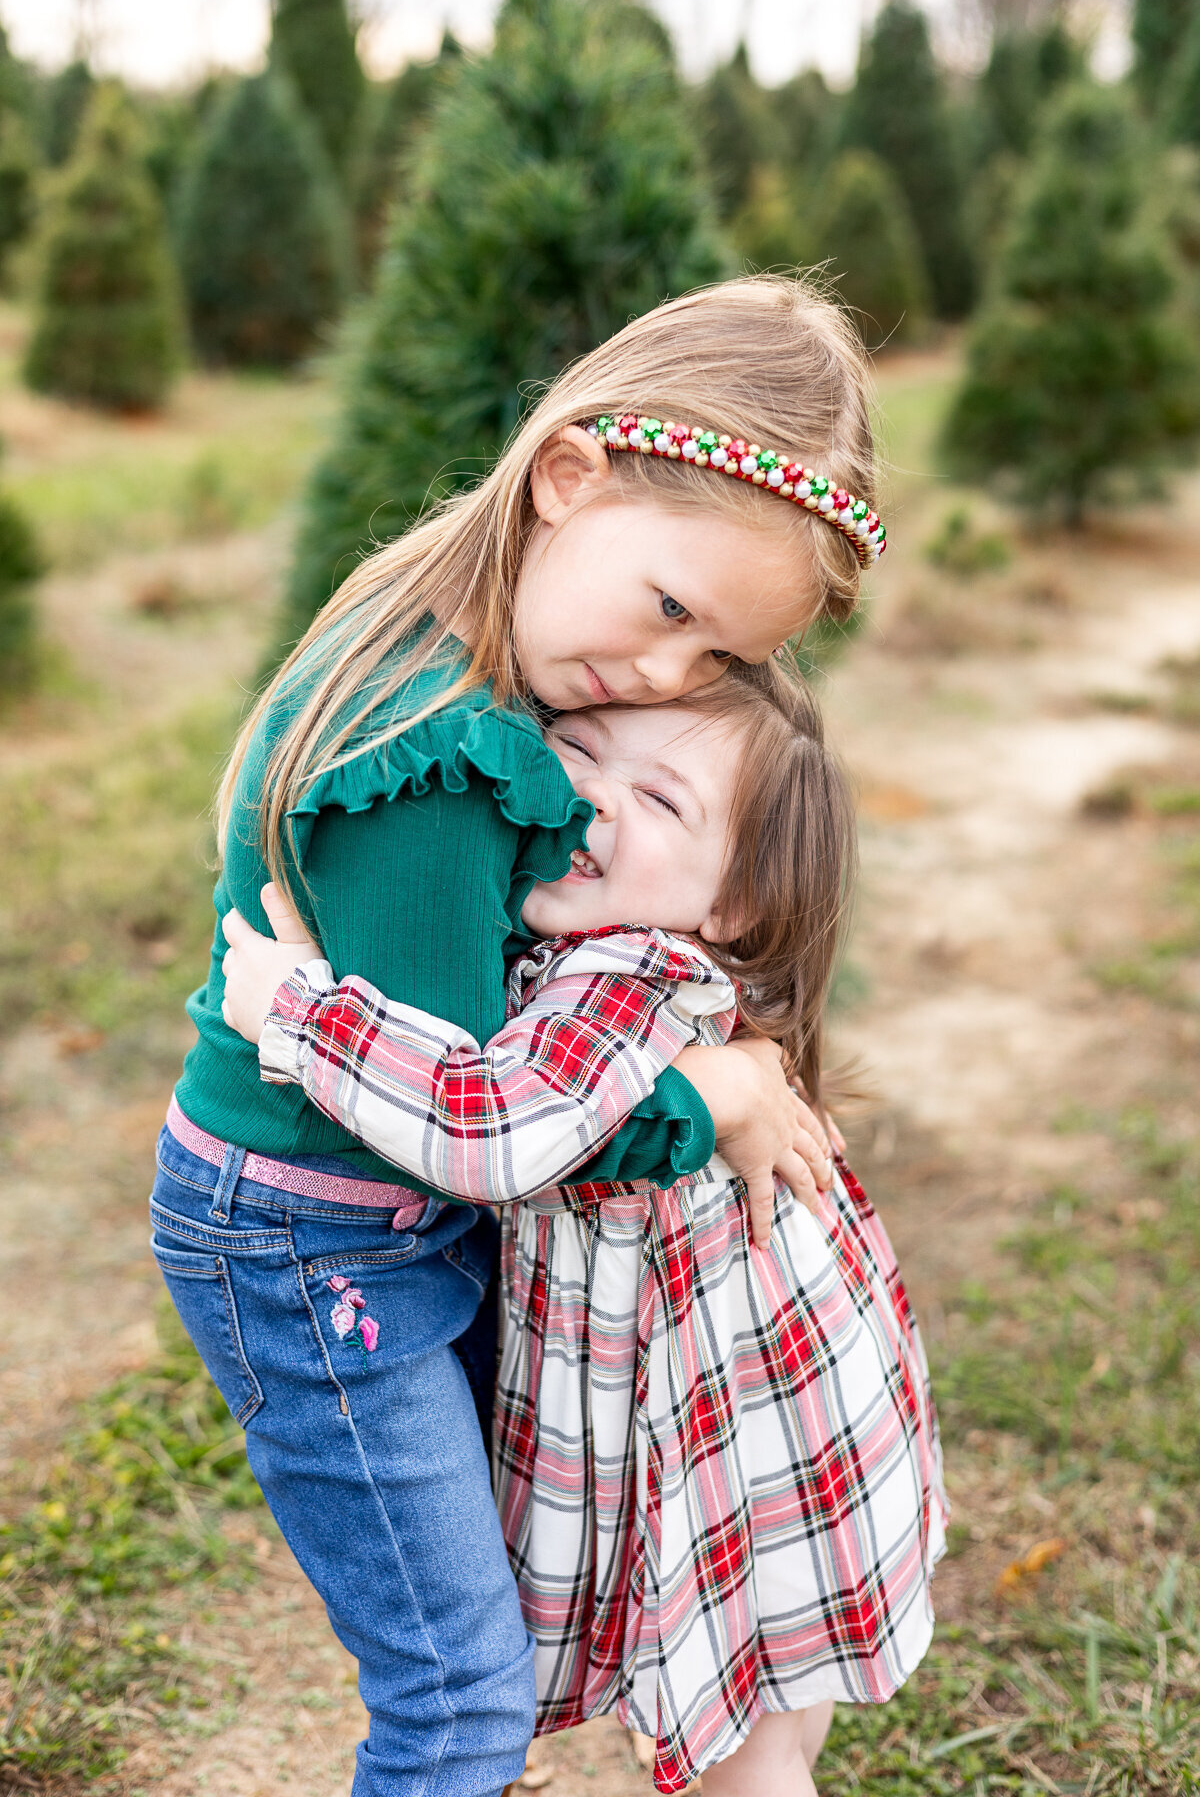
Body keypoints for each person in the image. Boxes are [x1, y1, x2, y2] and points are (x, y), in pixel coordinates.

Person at [150, 275, 880, 1797]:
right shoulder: (434, 758)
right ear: (568, 478)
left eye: (712, 663)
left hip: (387, 1212)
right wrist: (714, 1094)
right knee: (458, 1693)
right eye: (671, 611)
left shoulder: (475, 655)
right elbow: (488, 1130)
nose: (666, 679)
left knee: (501, 1606)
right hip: (320, 1245)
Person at [219, 664, 945, 1797]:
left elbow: (489, 1131)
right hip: (785, 1393)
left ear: (737, 902)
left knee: (746, 1760)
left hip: (712, 1420)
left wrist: (300, 1012)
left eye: (663, 801)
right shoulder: (637, 957)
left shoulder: (623, 976)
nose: (596, 801)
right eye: (582, 750)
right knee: (774, 1698)